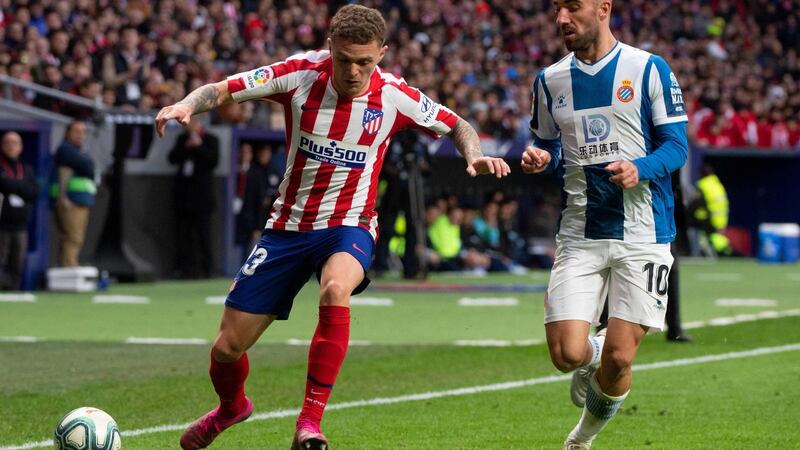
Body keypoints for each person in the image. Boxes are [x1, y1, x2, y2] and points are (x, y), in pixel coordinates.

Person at [154, 5, 510, 450]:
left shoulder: (395, 95)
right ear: (330, 49)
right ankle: (231, 409)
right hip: (287, 226)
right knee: (227, 349)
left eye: (366, 62)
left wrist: (473, 155)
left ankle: (310, 422)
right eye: (345, 60)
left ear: (382, 53)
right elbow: (226, 89)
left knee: (335, 289)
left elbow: (458, 125)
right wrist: (187, 104)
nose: (355, 71)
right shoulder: (301, 74)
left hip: (349, 224)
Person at [521, 1, 688, 448]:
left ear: (603, 9)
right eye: (557, 9)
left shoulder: (648, 68)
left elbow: (677, 147)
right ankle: (587, 352)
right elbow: (548, 142)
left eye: (573, 7)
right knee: (566, 355)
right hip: (580, 231)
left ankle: (579, 440)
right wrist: (541, 156)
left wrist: (641, 167)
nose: (561, 18)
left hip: (644, 233)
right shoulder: (549, 80)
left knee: (618, 358)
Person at [168, 120, 219, 279]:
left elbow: (213, 161)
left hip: (202, 197)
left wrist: (198, 146)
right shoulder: (182, 139)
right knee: (183, 236)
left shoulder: (211, 139)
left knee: (204, 235)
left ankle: (208, 269)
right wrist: (187, 147)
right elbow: (172, 158)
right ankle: (183, 270)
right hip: (183, 197)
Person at [51, 120, 96, 267]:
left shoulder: (78, 151)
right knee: (73, 237)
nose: (80, 135)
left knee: (75, 238)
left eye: (83, 132)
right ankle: (69, 269)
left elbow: (89, 166)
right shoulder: (65, 150)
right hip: (70, 201)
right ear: (67, 133)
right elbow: (88, 166)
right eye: (76, 131)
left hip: (80, 201)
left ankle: (68, 268)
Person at [0, 132, 39, 290]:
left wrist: (14, 186)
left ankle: (13, 290)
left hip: (21, 225)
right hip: (2, 224)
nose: (11, 146)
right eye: (8, 143)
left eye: (15, 143)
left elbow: (34, 191)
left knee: (17, 262)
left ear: (21, 147)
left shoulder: (26, 168)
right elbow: (4, 184)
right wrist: (20, 186)